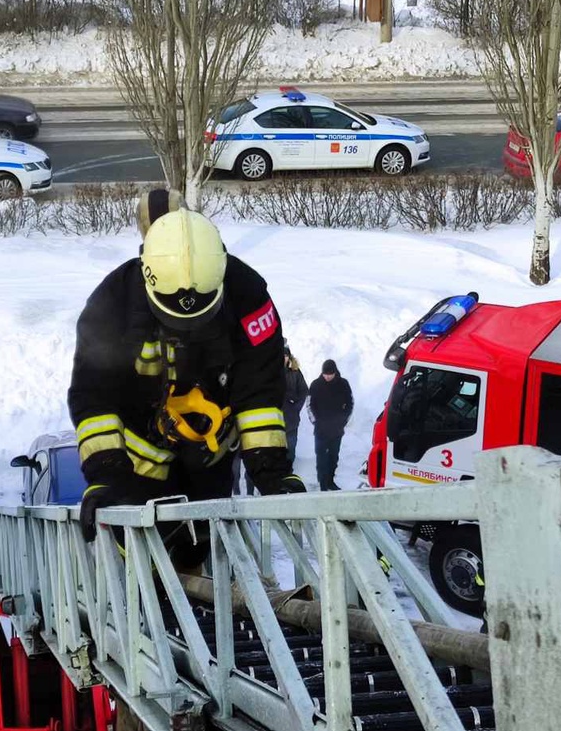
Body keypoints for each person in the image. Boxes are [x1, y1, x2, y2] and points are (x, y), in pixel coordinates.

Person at [70, 198, 303, 562]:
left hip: (210, 464)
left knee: (202, 555)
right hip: (135, 472)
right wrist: (105, 476)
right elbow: (93, 398)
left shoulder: (249, 300)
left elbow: (258, 393)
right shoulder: (110, 305)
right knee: (143, 564)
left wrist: (273, 474)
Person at [233, 343, 309, 494]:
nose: (283, 358)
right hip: (268, 425)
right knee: (260, 460)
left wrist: (294, 407)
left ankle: (284, 487)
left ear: (289, 357)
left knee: (288, 456)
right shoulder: (269, 371)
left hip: (290, 423)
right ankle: (252, 491)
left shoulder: (294, 372)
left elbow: (304, 392)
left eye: (285, 356)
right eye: (281, 356)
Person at [309, 359, 353, 491]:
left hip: (337, 430)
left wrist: (343, 421)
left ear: (335, 372)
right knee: (321, 458)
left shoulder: (343, 384)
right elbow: (309, 405)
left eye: (330, 374)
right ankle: (323, 484)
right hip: (321, 430)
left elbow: (350, 403)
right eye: (325, 374)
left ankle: (330, 481)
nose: (327, 376)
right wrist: (316, 422)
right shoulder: (315, 385)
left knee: (333, 457)